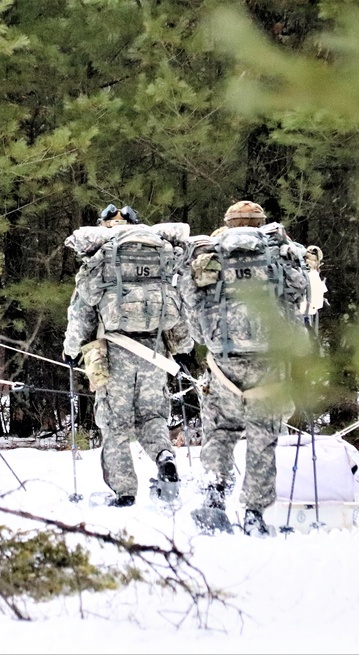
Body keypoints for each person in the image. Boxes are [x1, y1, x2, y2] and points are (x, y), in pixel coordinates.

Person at [179, 200, 312, 536]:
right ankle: (254, 514)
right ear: (260, 223)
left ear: (227, 223)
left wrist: (207, 338)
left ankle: (213, 500)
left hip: (223, 363)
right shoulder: (277, 254)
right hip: (269, 364)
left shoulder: (210, 256)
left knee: (220, 433)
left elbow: (192, 305)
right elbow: (299, 295)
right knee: (262, 439)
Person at [62, 204, 193, 507]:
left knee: (114, 423)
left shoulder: (101, 259)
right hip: (155, 351)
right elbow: (177, 306)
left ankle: (124, 492)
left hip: (112, 352)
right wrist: (184, 349)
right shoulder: (159, 256)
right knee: (152, 416)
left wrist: (72, 350)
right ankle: (164, 457)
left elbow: (82, 312)